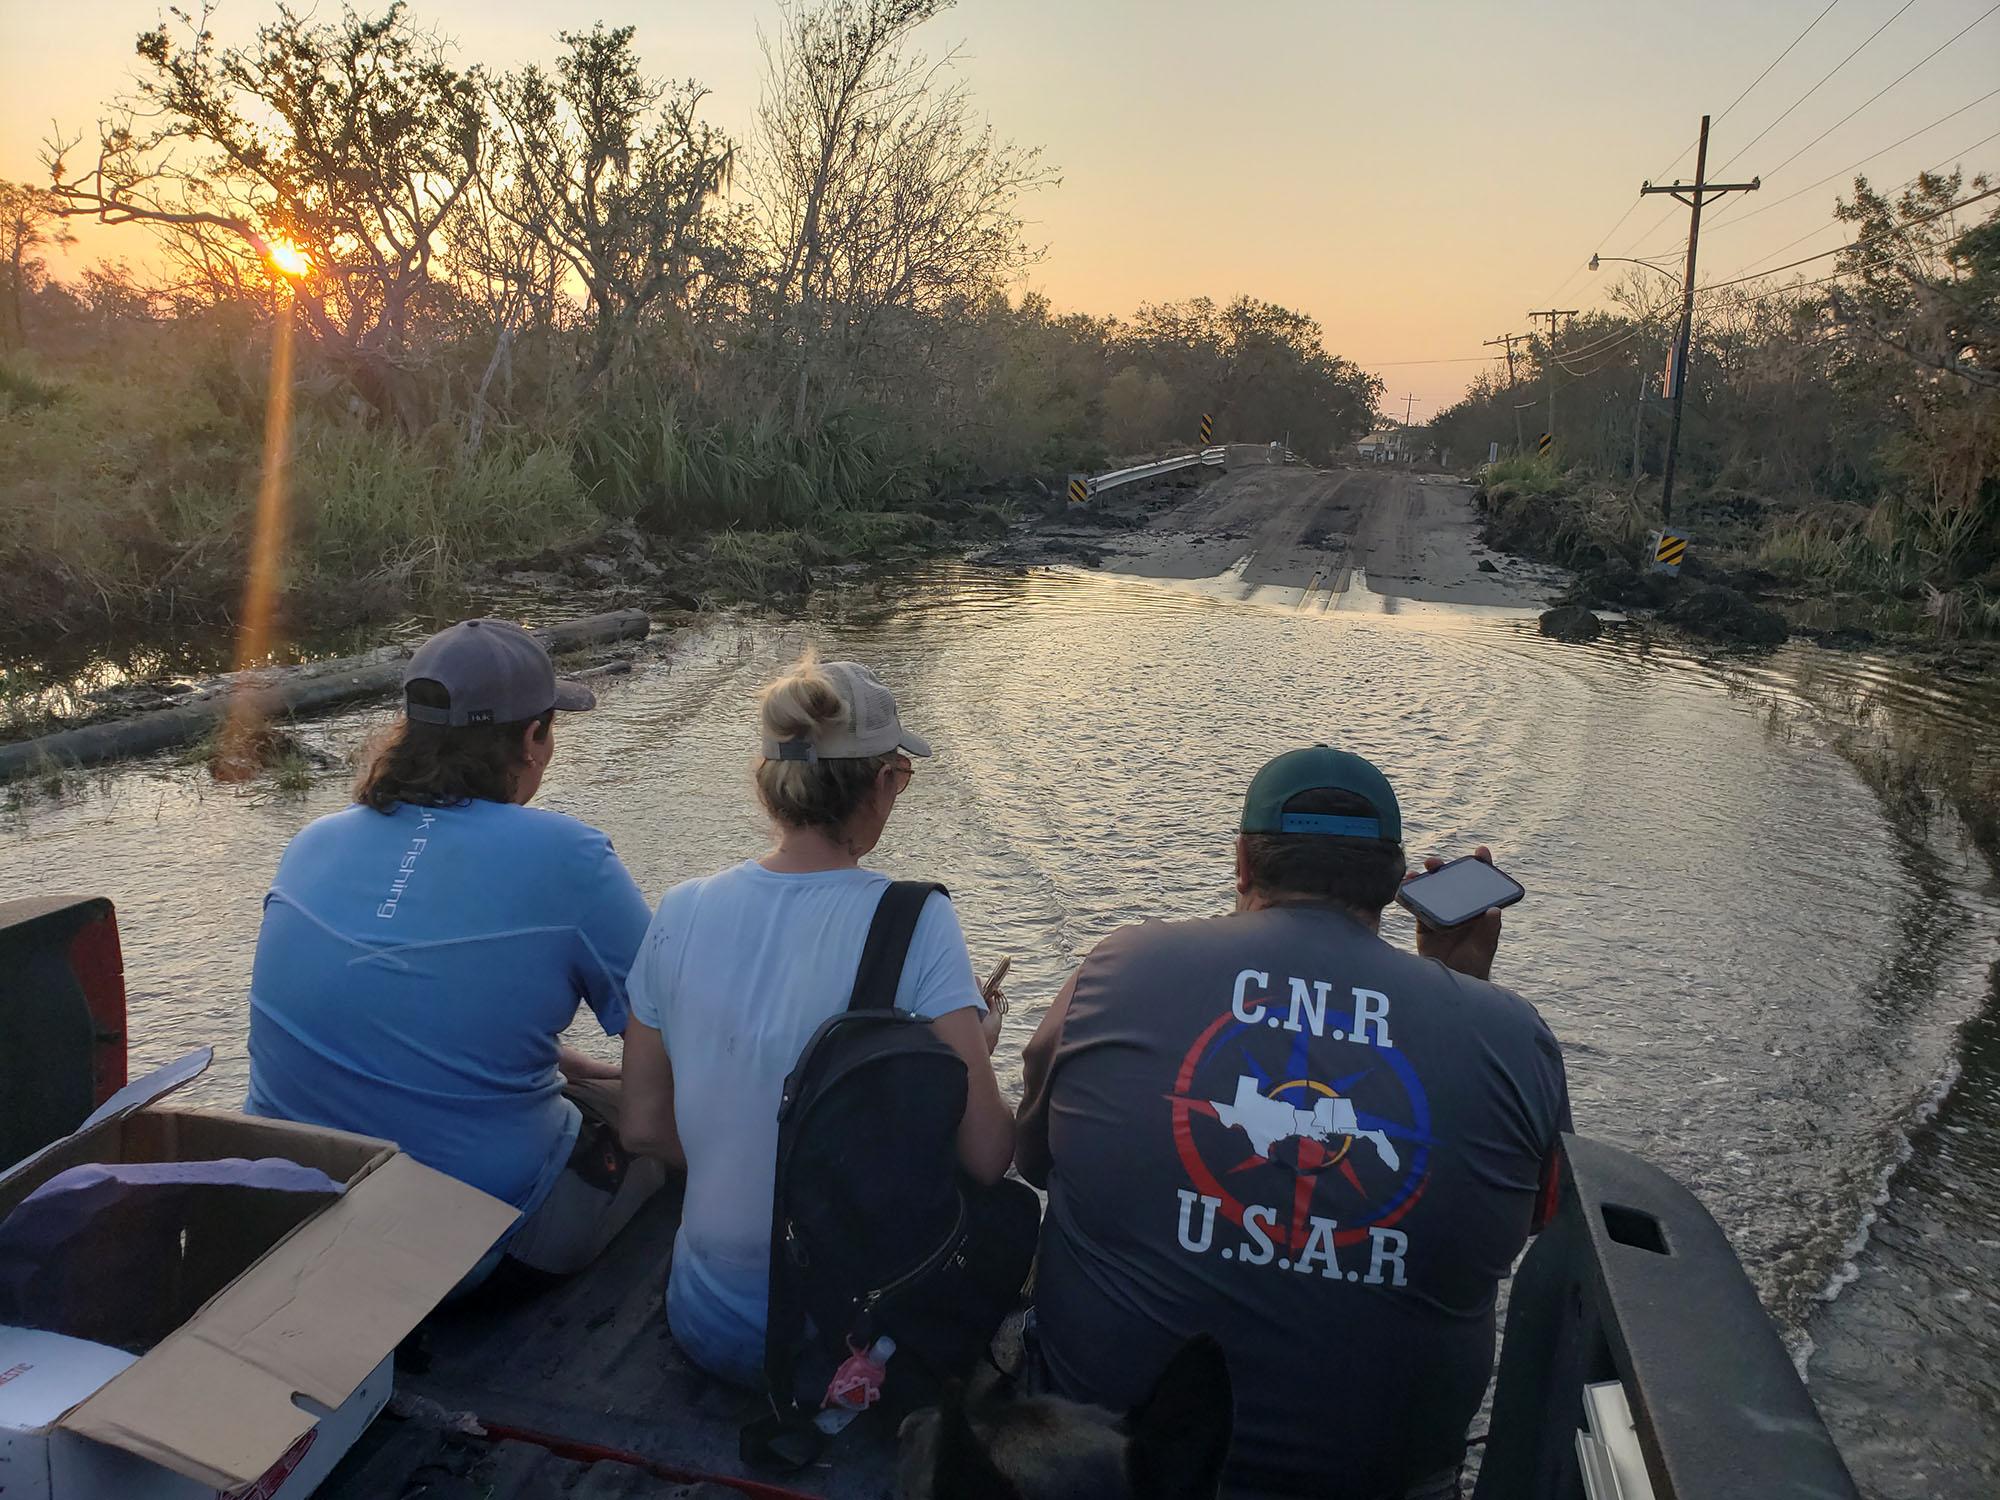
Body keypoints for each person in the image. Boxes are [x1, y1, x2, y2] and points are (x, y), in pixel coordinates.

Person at [1016, 745, 1571, 1500]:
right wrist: (1460, 984)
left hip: (1112, 1470)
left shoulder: (1120, 966)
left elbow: (1034, 1158)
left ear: (1243, 863)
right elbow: (1543, 1221)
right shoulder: (1510, 1034)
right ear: (1393, 883)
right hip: (1386, 1483)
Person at [617, 652, 1016, 1388]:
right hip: (841, 1341)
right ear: (881, 783)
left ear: (769, 783)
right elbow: (989, 1154)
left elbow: (641, 1125)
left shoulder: (680, 908)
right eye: (898, 774)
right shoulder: (916, 918)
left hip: (706, 1321)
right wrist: (975, 1055)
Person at [245, 618, 664, 1286]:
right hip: (467, 1253)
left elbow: (373, 991)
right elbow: (676, 1050)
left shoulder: (314, 842)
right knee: (662, 1130)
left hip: (293, 1224)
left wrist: (540, 1055)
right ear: (531, 737)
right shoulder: (569, 858)